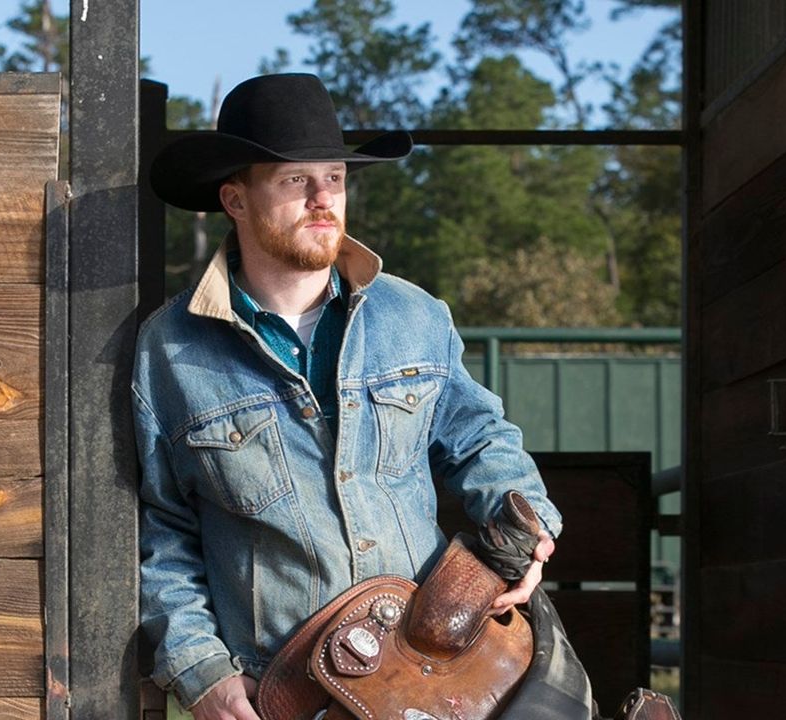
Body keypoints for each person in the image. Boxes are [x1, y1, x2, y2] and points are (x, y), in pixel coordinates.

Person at [136, 73, 562, 720]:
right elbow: (161, 530)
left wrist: (528, 528)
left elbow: (480, 438)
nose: (322, 199)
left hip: (438, 672)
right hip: (285, 691)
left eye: (333, 178)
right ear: (235, 199)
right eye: (294, 180)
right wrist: (201, 672)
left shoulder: (414, 317)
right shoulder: (169, 350)